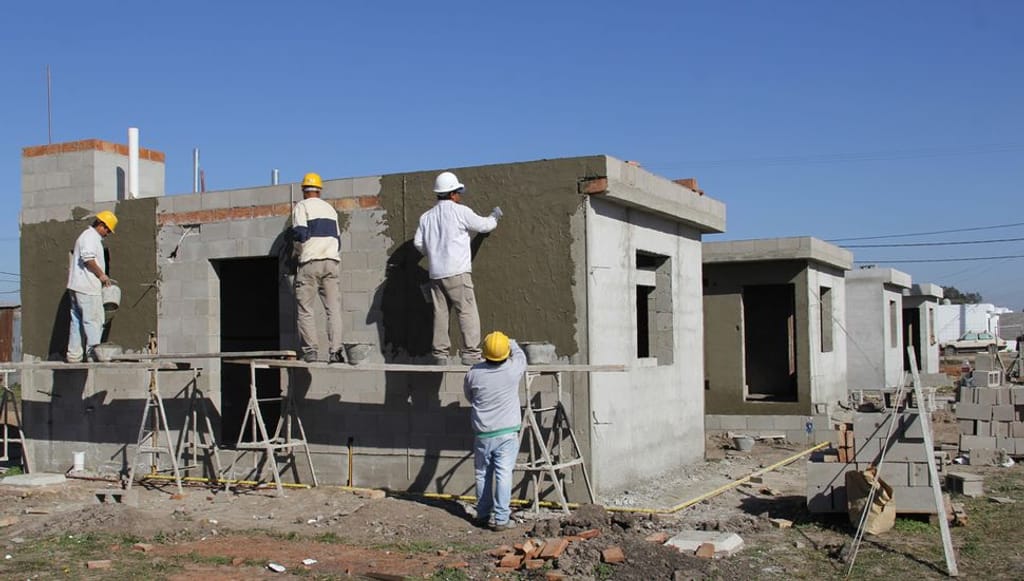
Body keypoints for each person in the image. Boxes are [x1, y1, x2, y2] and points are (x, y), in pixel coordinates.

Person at [414, 171, 502, 365]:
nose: (460, 196)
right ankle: (470, 354)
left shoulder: (426, 217)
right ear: (452, 194)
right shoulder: (460, 211)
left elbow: (418, 243)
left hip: (436, 274)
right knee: (467, 311)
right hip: (457, 273)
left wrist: (435, 252)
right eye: (458, 192)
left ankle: (440, 355)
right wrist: (494, 217)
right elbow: (483, 226)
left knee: (440, 314)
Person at [463, 331, 526, 530]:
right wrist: (512, 342)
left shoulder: (474, 373)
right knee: (504, 474)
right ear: (505, 353)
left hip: (483, 434)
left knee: (482, 474)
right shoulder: (512, 370)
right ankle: (501, 519)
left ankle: (482, 514)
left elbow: (469, 396)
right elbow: (522, 356)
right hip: (507, 433)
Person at [291, 172, 345, 363]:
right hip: (331, 262)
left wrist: (296, 252)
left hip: (310, 262)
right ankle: (336, 351)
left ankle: (311, 351)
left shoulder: (302, 206)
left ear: (303, 190)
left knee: (306, 308)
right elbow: (338, 241)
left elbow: (300, 234)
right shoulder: (330, 210)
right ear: (319, 190)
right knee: (333, 309)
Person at [66, 210, 117, 362]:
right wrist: (101, 275)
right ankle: (94, 355)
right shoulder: (90, 237)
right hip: (87, 287)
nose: (107, 233)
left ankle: (74, 356)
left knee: (77, 321)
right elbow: (88, 259)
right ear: (101, 224)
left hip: (77, 286)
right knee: (94, 320)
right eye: (107, 229)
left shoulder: (86, 236)